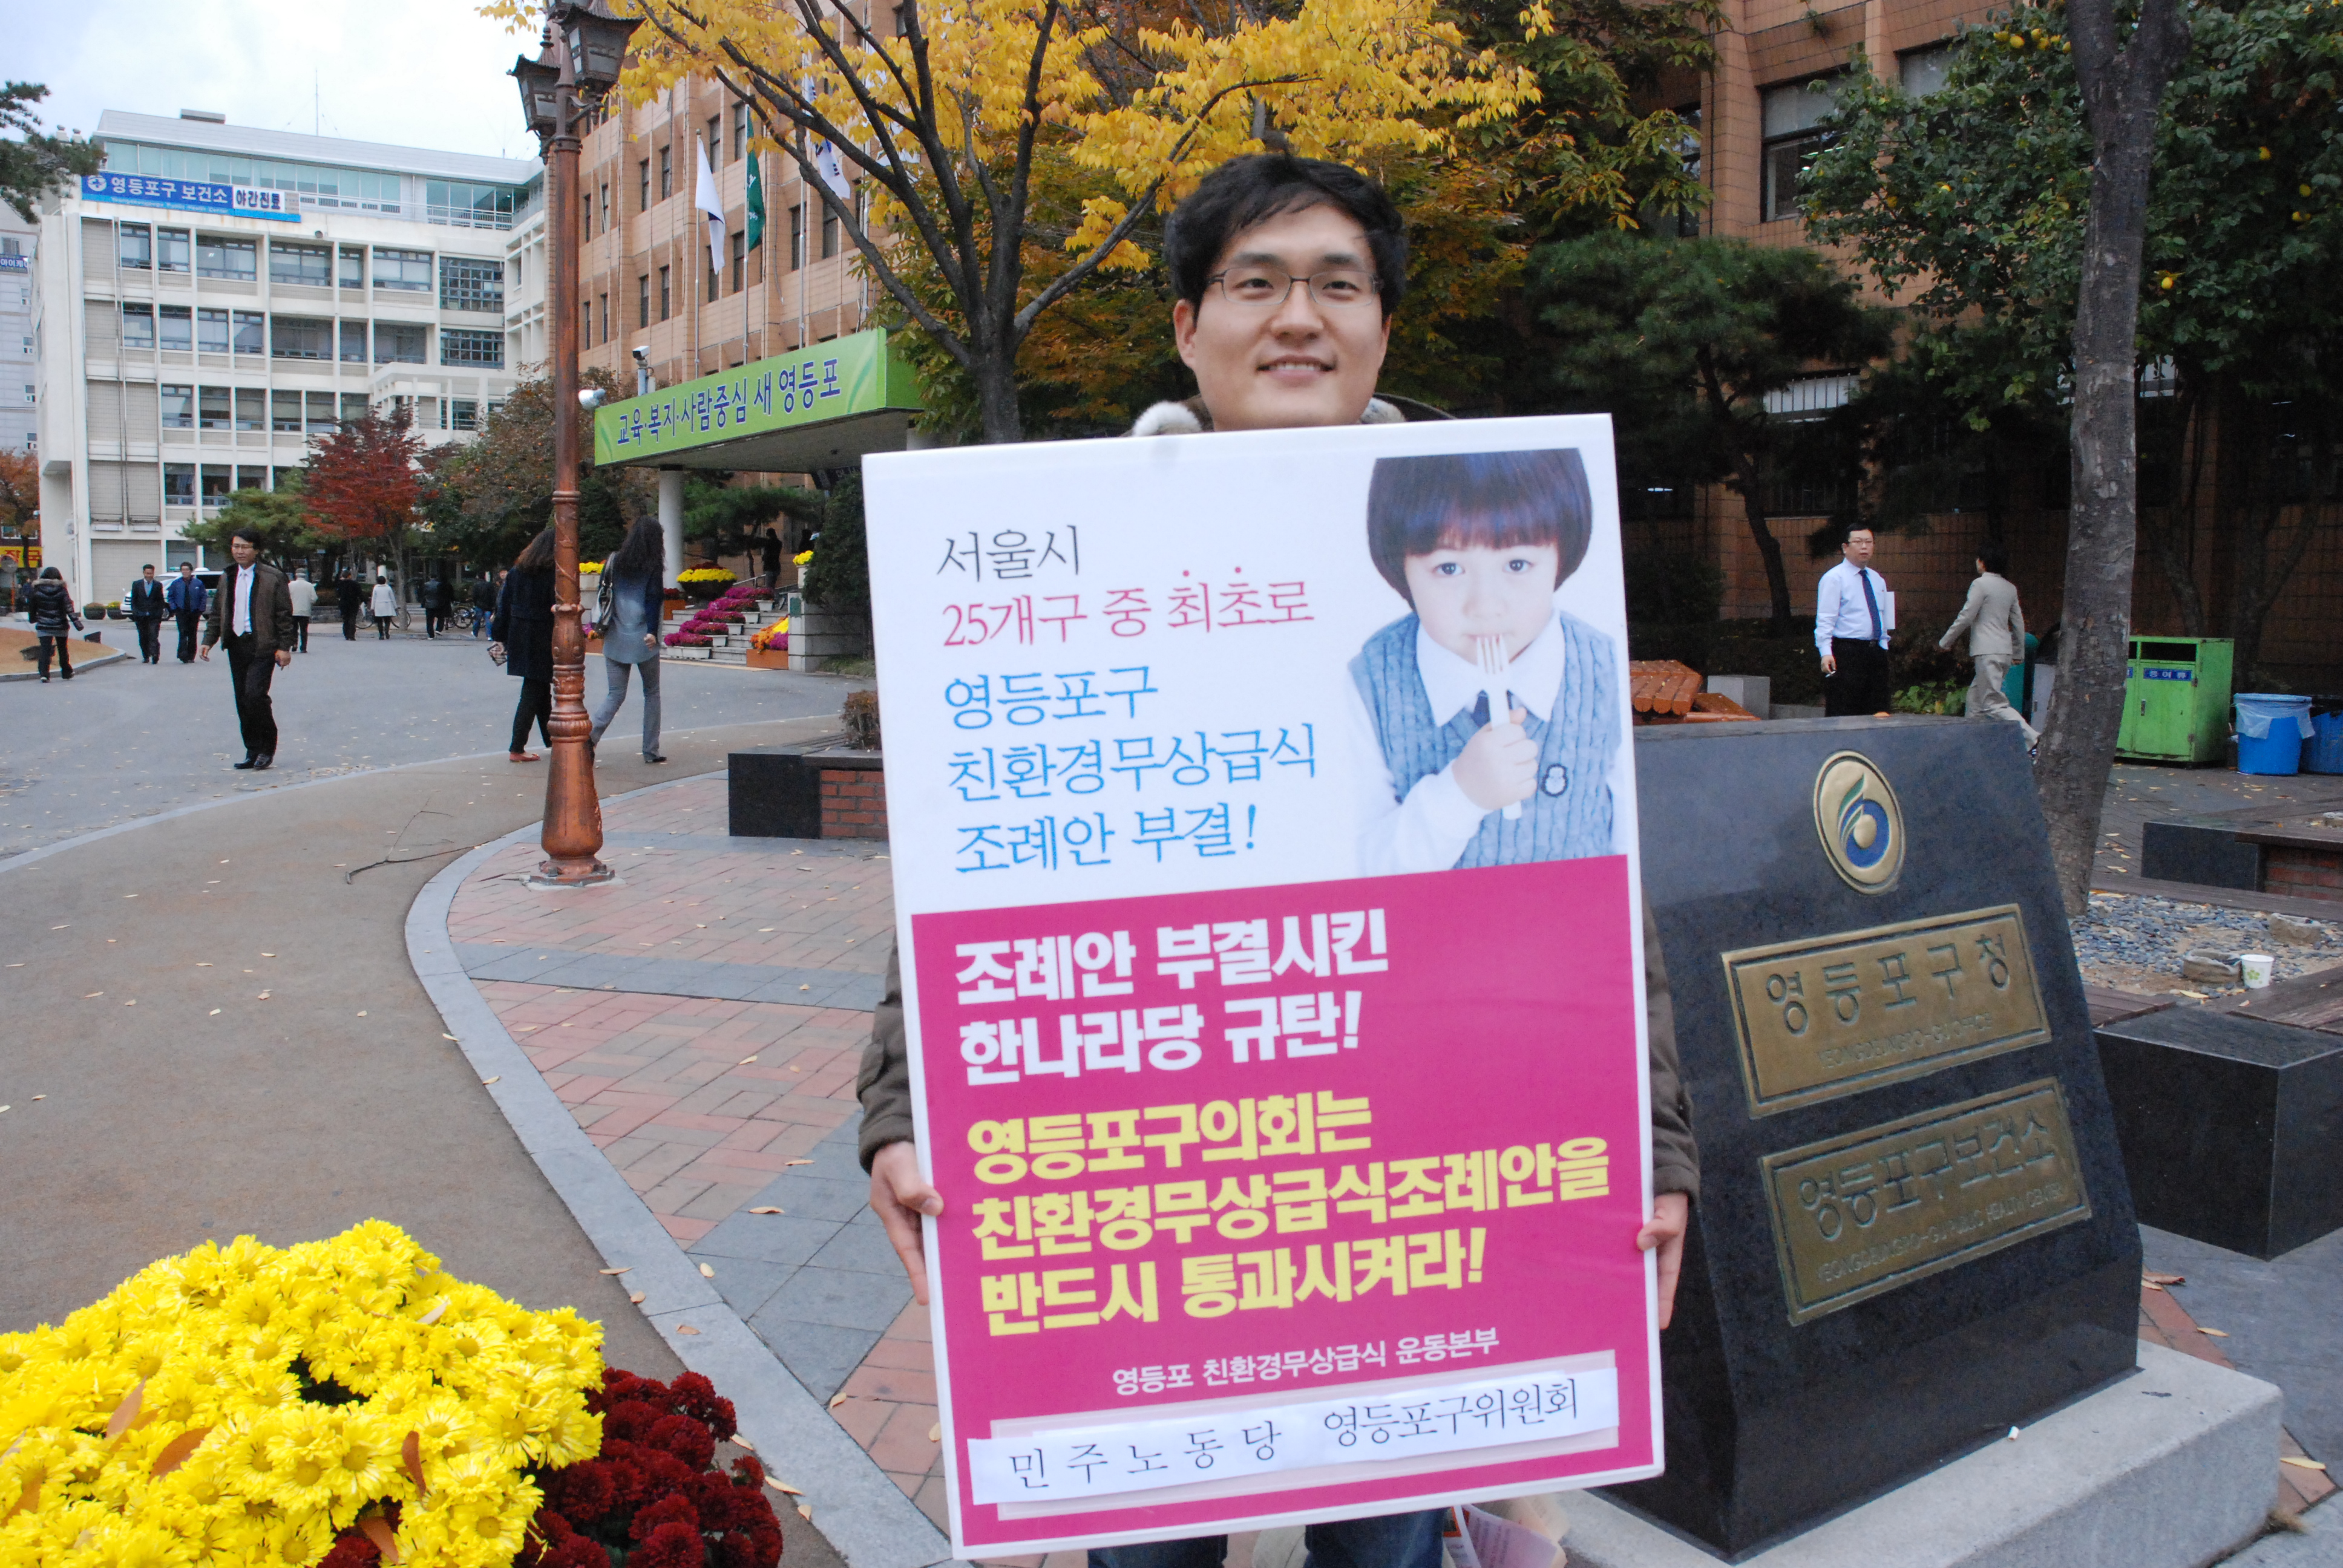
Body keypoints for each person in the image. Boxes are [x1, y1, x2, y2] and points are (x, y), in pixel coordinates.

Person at [856, 154, 1700, 1568]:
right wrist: (902, 1109)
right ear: (1189, 326)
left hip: (1426, 1159)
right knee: (1147, 1544)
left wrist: (1654, 1147)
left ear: (1383, 327)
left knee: (1390, 1541)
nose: (1298, 316)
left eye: (1336, 284)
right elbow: (980, 867)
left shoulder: (1501, 559)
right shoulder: (1082, 556)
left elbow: (1596, 896)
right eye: (1256, 283)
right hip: (1166, 1172)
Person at [1347, 448, 1617, 874]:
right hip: (1428, 918)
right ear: (1399, 566)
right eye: (1449, 568)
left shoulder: (1605, 669)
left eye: (1517, 564)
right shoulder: (1371, 684)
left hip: (1580, 915)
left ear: (1563, 556)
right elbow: (1361, 868)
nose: (1486, 606)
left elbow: (1629, 844)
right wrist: (1461, 794)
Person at [198, 528, 295, 769]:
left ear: (256, 550)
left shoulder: (273, 577)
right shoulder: (227, 576)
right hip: (236, 644)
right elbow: (218, 612)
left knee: (255, 696)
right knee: (242, 700)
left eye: (245, 547)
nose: (239, 551)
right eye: (236, 546)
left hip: (262, 645)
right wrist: (209, 640)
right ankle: (252, 749)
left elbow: (284, 615)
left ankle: (267, 748)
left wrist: (285, 647)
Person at [1939, 539, 2037, 747]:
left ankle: (2034, 738)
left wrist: (1946, 641)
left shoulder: (1980, 584)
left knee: (1993, 703)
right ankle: (1972, 745)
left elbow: (1967, 616)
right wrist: (2019, 652)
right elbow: (2018, 623)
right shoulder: (2010, 588)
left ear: (1983, 562)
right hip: (2004, 651)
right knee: (1975, 700)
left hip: (1987, 651)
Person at [588, 518, 670, 763]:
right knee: (652, 693)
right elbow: (653, 599)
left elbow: (603, 593)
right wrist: (652, 632)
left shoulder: (614, 561)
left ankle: (590, 739)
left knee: (615, 694)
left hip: (615, 635)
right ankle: (650, 750)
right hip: (644, 638)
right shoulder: (653, 566)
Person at [491, 529, 557, 763]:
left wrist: (499, 635)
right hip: (543, 634)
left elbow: (503, 606)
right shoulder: (553, 574)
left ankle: (552, 740)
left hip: (519, 634)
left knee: (539, 688)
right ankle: (517, 747)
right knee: (533, 689)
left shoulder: (517, 572)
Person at [1815, 525, 1893, 717]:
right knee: (1845, 711)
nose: (1864, 547)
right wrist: (1826, 652)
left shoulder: (1877, 579)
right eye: (1858, 542)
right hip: (1847, 652)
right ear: (1845, 547)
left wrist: (1884, 645)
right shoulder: (1834, 578)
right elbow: (1826, 618)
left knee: (1879, 710)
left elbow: (1884, 616)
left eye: (1868, 542)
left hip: (1875, 652)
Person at [25, 566, 83, 682]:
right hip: (60, 624)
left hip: (43, 624)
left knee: (45, 650)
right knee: (63, 649)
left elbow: (32, 607)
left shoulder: (37, 590)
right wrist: (76, 622)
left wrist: (32, 619)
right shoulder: (62, 590)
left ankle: (44, 674)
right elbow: (68, 607)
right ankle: (66, 672)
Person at [166, 562, 206, 663]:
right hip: (181, 612)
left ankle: (191, 655)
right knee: (183, 633)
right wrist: (174, 608)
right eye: (183, 570)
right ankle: (183, 654)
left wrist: (201, 609)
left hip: (194, 612)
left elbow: (203, 597)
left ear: (191, 571)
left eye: (187, 570)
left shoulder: (198, 583)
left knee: (192, 634)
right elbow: (171, 597)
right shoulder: (176, 583)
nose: (185, 572)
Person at [127, 564, 167, 665]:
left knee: (153, 636)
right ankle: (146, 656)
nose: (149, 575)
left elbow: (160, 600)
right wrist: (135, 612)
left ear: (153, 573)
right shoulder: (137, 584)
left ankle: (155, 655)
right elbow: (134, 600)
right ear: (144, 573)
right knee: (143, 636)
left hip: (154, 616)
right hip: (141, 615)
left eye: (151, 573)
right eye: (147, 573)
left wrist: (159, 612)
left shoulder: (158, 585)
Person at [286, 569, 316, 653]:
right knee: (304, 630)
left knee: (293, 629)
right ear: (305, 576)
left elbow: (286, 597)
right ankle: (303, 647)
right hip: (305, 611)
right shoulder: (310, 586)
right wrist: (309, 603)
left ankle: (294, 643)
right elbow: (314, 598)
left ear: (296, 575)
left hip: (293, 611)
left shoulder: (290, 585)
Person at [335, 570, 364, 641]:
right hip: (353, 603)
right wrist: (364, 600)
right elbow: (360, 594)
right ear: (349, 576)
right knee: (352, 618)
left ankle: (346, 634)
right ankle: (352, 634)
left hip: (343, 603)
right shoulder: (355, 584)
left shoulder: (340, 584)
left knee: (345, 619)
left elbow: (337, 594)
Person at [369, 572, 396, 639]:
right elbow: (392, 598)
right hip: (388, 605)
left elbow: (374, 598)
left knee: (379, 622)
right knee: (387, 621)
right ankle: (387, 632)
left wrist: (372, 607)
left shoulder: (376, 588)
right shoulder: (388, 588)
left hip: (378, 606)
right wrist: (395, 607)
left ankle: (381, 634)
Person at [470, 572, 498, 636]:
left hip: (479, 605)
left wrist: (476, 603)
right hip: (488, 606)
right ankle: (489, 635)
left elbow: (474, 596)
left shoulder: (476, 585)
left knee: (478, 620)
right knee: (488, 620)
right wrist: (493, 605)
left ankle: (475, 633)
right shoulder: (490, 585)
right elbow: (493, 596)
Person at [759, 526, 783, 590]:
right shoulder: (779, 543)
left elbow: (766, 554)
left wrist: (763, 558)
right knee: (774, 584)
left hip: (769, 566)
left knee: (769, 586)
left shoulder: (767, 543)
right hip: (776, 565)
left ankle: (771, 595)